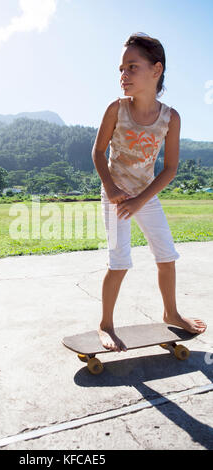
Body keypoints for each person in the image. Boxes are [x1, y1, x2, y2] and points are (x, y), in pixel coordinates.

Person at [92, 32, 207, 352]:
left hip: (146, 195)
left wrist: (142, 199)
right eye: (120, 69)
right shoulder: (116, 109)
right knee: (119, 262)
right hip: (115, 195)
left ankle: (171, 311)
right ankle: (105, 324)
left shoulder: (171, 118)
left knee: (167, 255)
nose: (123, 75)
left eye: (132, 67)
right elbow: (98, 153)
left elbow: (170, 168)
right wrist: (111, 188)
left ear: (156, 71)